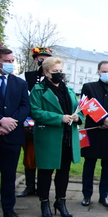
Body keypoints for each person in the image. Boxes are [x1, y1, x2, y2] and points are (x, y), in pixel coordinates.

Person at [29, 56, 84, 217]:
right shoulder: (38, 90)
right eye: (55, 71)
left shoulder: (69, 90)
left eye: (60, 71)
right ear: (46, 72)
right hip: (49, 137)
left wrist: (77, 117)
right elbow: (35, 112)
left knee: (63, 172)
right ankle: (44, 202)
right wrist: (58, 118)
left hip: (67, 137)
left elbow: (79, 108)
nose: (59, 74)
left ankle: (60, 201)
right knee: (45, 171)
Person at [80, 61, 108, 208]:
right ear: (98, 72)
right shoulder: (89, 87)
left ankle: (103, 196)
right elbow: (84, 106)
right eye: (103, 71)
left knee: (107, 169)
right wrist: (100, 119)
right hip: (93, 131)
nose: (106, 74)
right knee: (89, 166)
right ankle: (87, 195)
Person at [0, 46, 30, 217]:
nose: (11, 64)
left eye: (12, 61)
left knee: (9, 176)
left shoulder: (20, 83)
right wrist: (1, 120)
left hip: (12, 137)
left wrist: (10, 123)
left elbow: (25, 106)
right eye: (7, 61)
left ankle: (9, 210)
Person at [18, 46, 53, 198]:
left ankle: (43, 187)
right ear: (35, 59)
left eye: (46, 57)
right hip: (29, 123)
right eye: (41, 57)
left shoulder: (54, 77)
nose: (44, 60)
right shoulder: (25, 76)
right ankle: (30, 185)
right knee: (30, 156)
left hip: (47, 122)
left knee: (45, 156)